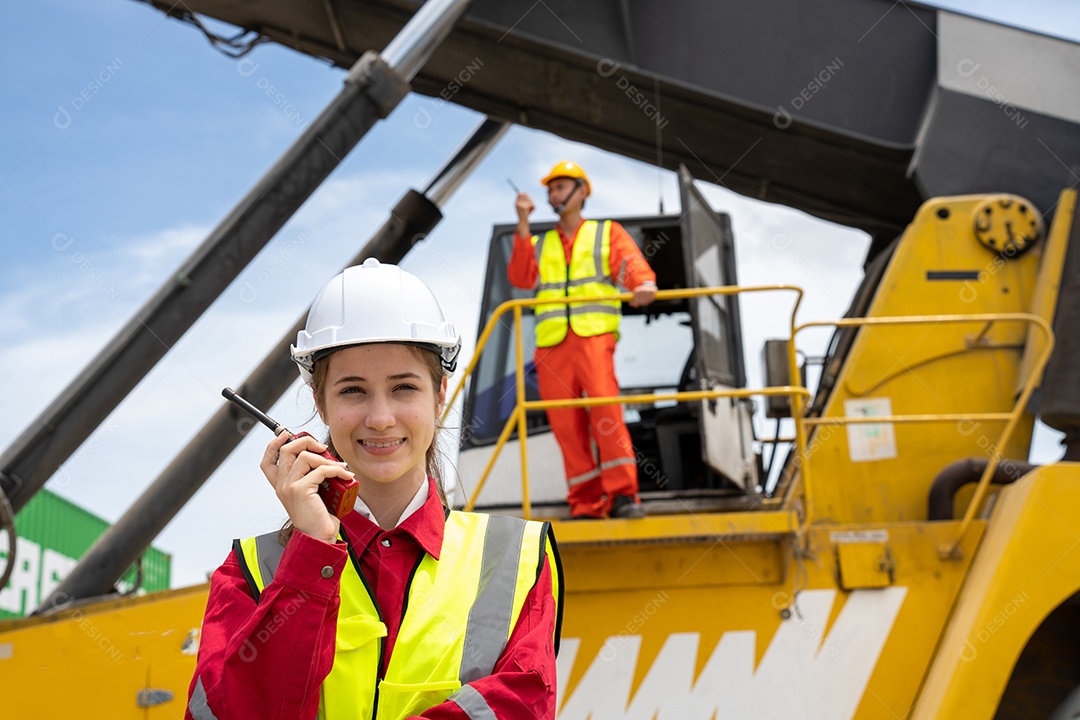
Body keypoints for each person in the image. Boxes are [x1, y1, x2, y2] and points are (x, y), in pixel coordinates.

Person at [186, 258, 563, 720]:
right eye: (353, 391)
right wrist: (310, 556)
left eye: (404, 387)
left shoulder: (518, 558)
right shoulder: (249, 570)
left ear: (440, 394)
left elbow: (520, 706)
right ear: (320, 405)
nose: (381, 417)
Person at [508, 161, 657, 520]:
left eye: (560, 187)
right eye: (550, 190)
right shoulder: (539, 243)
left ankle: (623, 496)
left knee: (605, 414)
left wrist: (643, 285)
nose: (553, 195)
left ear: (582, 192)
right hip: (552, 345)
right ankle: (587, 502)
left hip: (593, 338)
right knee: (566, 425)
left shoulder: (606, 233)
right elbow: (521, 277)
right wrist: (523, 224)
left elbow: (632, 265)